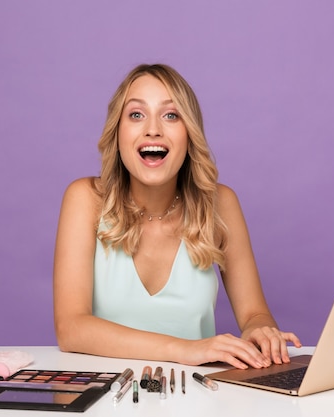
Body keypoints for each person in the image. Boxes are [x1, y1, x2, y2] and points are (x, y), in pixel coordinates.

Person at [53, 63, 301, 370]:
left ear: (189, 134)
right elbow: (71, 329)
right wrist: (186, 350)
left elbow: (254, 314)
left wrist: (259, 330)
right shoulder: (85, 199)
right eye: (136, 114)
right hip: (106, 396)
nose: (153, 128)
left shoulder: (220, 204)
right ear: (117, 133)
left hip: (196, 396)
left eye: (171, 115)